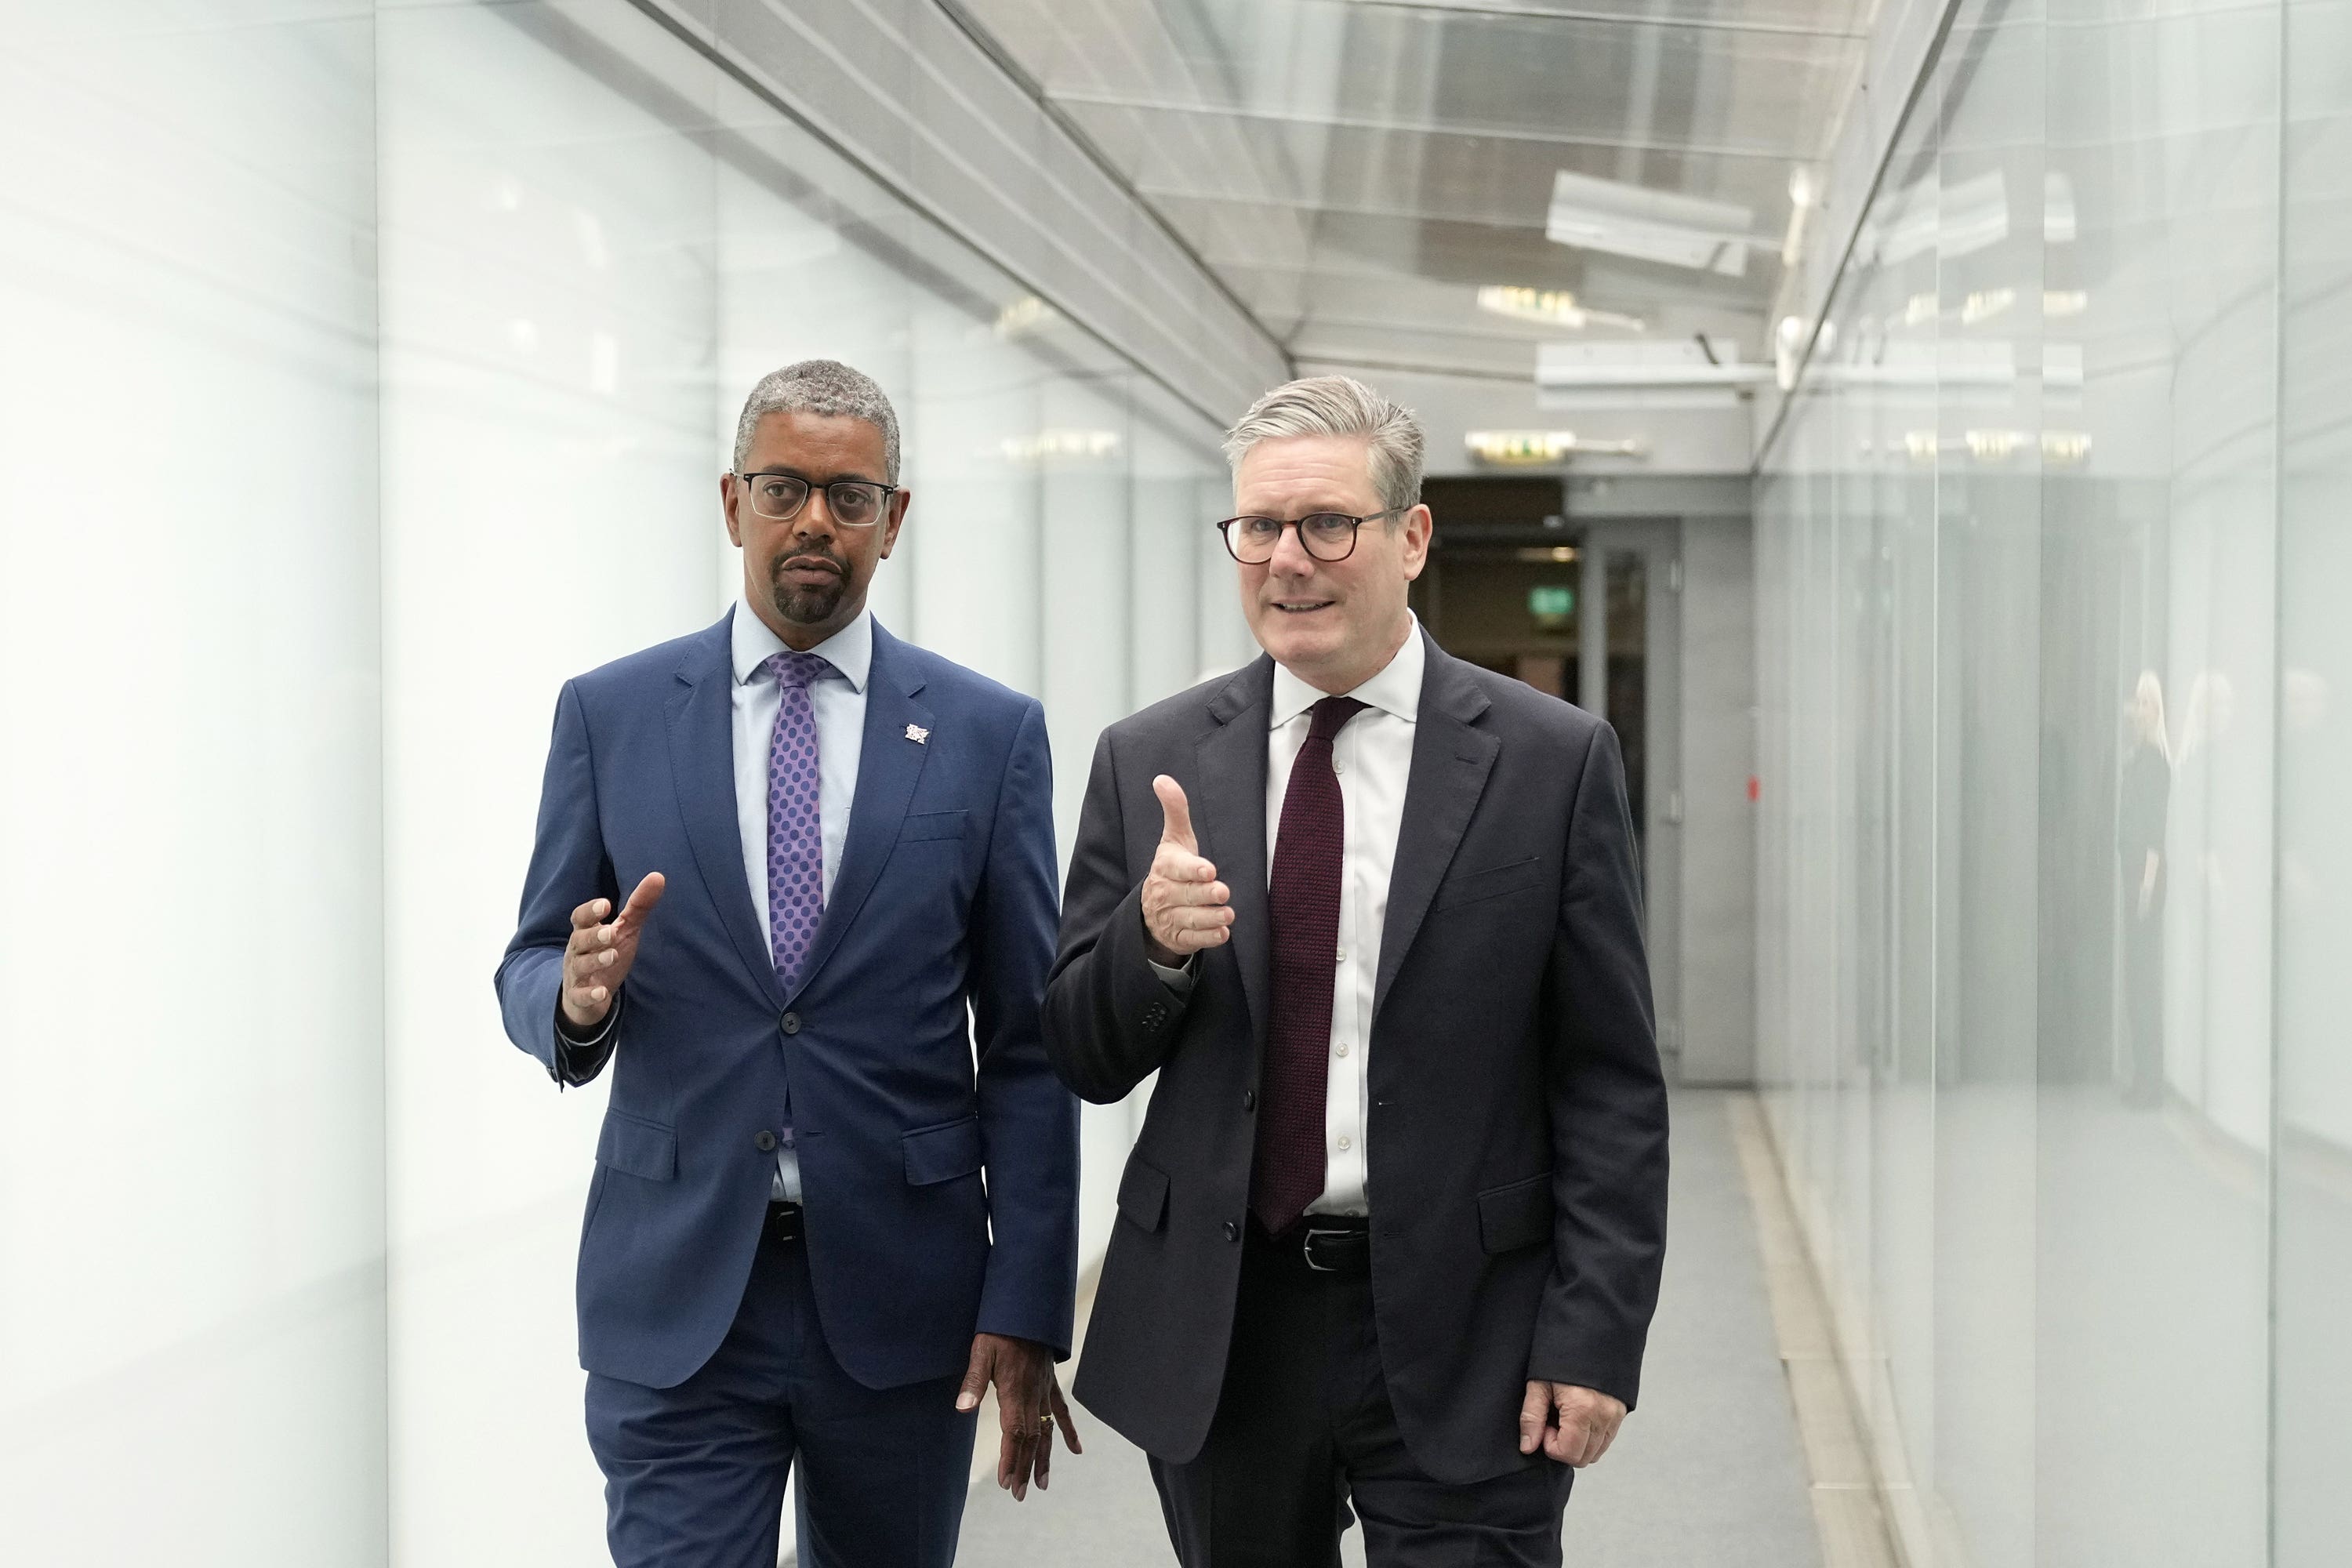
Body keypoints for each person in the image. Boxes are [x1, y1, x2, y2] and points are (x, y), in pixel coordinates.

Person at [1044, 376, 1669, 1566]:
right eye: (1259, 529)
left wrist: (1594, 1335)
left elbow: (1611, 1081)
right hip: (1229, 1327)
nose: (1289, 560)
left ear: (1412, 537)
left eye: (1329, 523)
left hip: (1467, 1318)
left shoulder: (1552, 762)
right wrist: (1152, 944)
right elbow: (1081, 1051)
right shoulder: (1152, 758)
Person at [495, 359, 1080, 1568]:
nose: (815, 519)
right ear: (731, 502)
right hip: (677, 1296)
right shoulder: (611, 714)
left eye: (849, 494)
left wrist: (1026, 1304)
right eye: (784, 488)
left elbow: (1028, 1047)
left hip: (906, 1305)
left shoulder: (988, 734)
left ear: (894, 519)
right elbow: (532, 957)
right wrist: (577, 996)